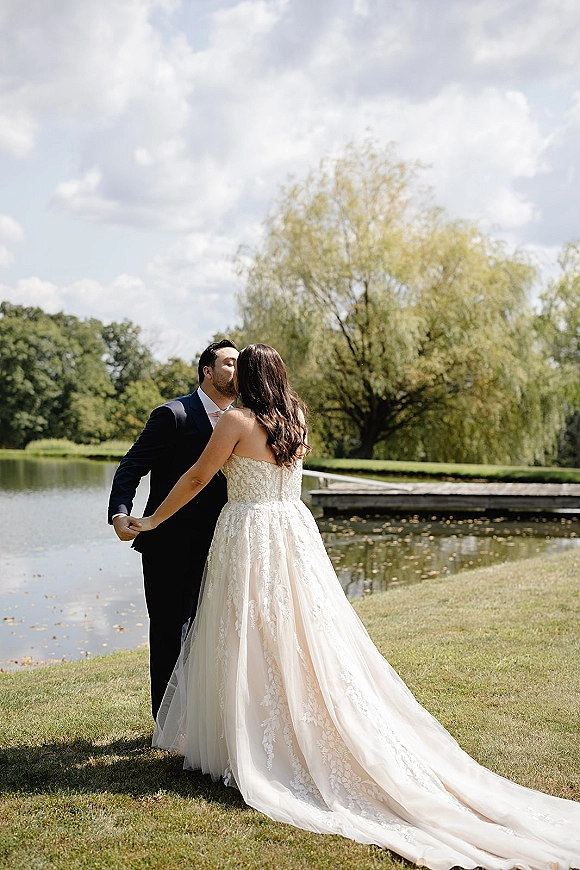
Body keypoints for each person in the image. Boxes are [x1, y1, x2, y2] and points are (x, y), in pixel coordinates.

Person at [127, 344, 580, 870]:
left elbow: (199, 478)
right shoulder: (292, 416)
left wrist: (153, 521)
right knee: (301, 632)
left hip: (250, 533)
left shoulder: (235, 420)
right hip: (292, 531)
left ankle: (253, 735)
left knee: (246, 630)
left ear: (247, 377)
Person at [107, 339, 238, 718]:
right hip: (169, 545)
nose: (237, 369)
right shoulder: (174, 415)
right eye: (229, 363)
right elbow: (132, 466)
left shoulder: (245, 420)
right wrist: (120, 512)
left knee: (213, 631)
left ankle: (206, 722)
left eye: (240, 363)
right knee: (167, 632)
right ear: (207, 372)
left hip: (224, 544)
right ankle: (164, 722)